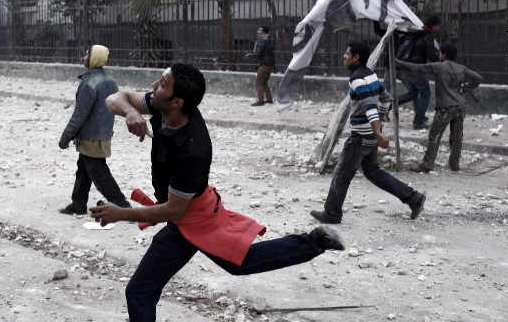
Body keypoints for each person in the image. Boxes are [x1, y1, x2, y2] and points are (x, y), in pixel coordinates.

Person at [92, 63, 345, 322]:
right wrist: (132, 113)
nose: (154, 87)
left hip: (193, 218)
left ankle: (315, 241)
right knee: (234, 265)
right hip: (188, 210)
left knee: (140, 290)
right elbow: (115, 98)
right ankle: (316, 241)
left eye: (162, 84)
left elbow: (174, 210)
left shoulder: (193, 150)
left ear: (177, 101)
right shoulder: (162, 104)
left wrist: (122, 214)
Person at [310, 41, 426, 225]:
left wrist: (377, 131)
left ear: (356, 57)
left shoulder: (356, 79)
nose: (344, 56)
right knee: (373, 172)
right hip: (370, 135)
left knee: (341, 174)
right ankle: (413, 198)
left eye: (347, 53)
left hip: (360, 137)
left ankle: (332, 213)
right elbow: (385, 98)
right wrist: (377, 128)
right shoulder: (370, 75)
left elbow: (369, 106)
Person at [58, 45, 131, 215]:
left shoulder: (89, 84)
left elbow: (79, 115)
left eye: (87, 54)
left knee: (99, 174)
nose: (84, 57)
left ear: (94, 59)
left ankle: (122, 205)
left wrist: (65, 138)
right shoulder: (110, 81)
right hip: (103, 135)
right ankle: (78, 204)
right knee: (83, 169)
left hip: (90, 138)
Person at [397, 43, 483, 173]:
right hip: (459, 107)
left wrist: (399, 62)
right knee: (457, 137)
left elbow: (418, 68)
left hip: (445, 108)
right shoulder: (461, 68)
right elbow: (478, 78)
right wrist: (464, 89)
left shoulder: (438, 67)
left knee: (435, 135)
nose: (438, 55)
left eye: (440, 53)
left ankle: (427, 165)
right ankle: (454, 164)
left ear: (444, 54)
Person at [374, 16, 440, 129]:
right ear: (433, 26)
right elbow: (432, 58)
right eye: (438, 25)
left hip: (405, 68)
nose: (439, 28)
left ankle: (387, 107)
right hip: (415, 69)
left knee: (413, 93)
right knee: (425, 93)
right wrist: (441, 56)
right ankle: (418, 121)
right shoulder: (426, 37)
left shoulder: (413, 35)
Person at [246, 26, 275, 106]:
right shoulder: (268, 40)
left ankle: (260, 100)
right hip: (270, 64)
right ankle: (269, 99)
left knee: (258, 82)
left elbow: (258, 54)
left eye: (259, 30)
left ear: (264, 32)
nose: (258, 31)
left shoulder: (262, 41)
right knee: (264, 82)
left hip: (265, 65)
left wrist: (250, 55)